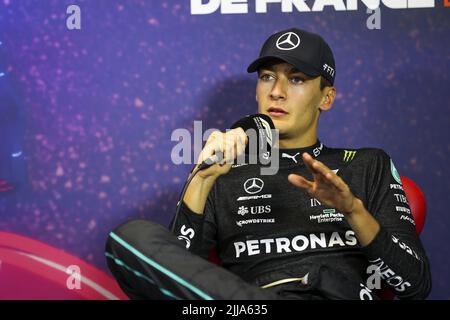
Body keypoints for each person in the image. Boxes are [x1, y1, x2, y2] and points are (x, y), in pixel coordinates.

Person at [105, 27, 431, 300]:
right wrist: (202, 177)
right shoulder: (224, 174)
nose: (276, 91)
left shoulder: (367, 164)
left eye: (297, 79)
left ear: (326, 98)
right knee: (128, 239)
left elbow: (414, 285)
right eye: (266, 77)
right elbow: (178, 279)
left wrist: (352, 209)